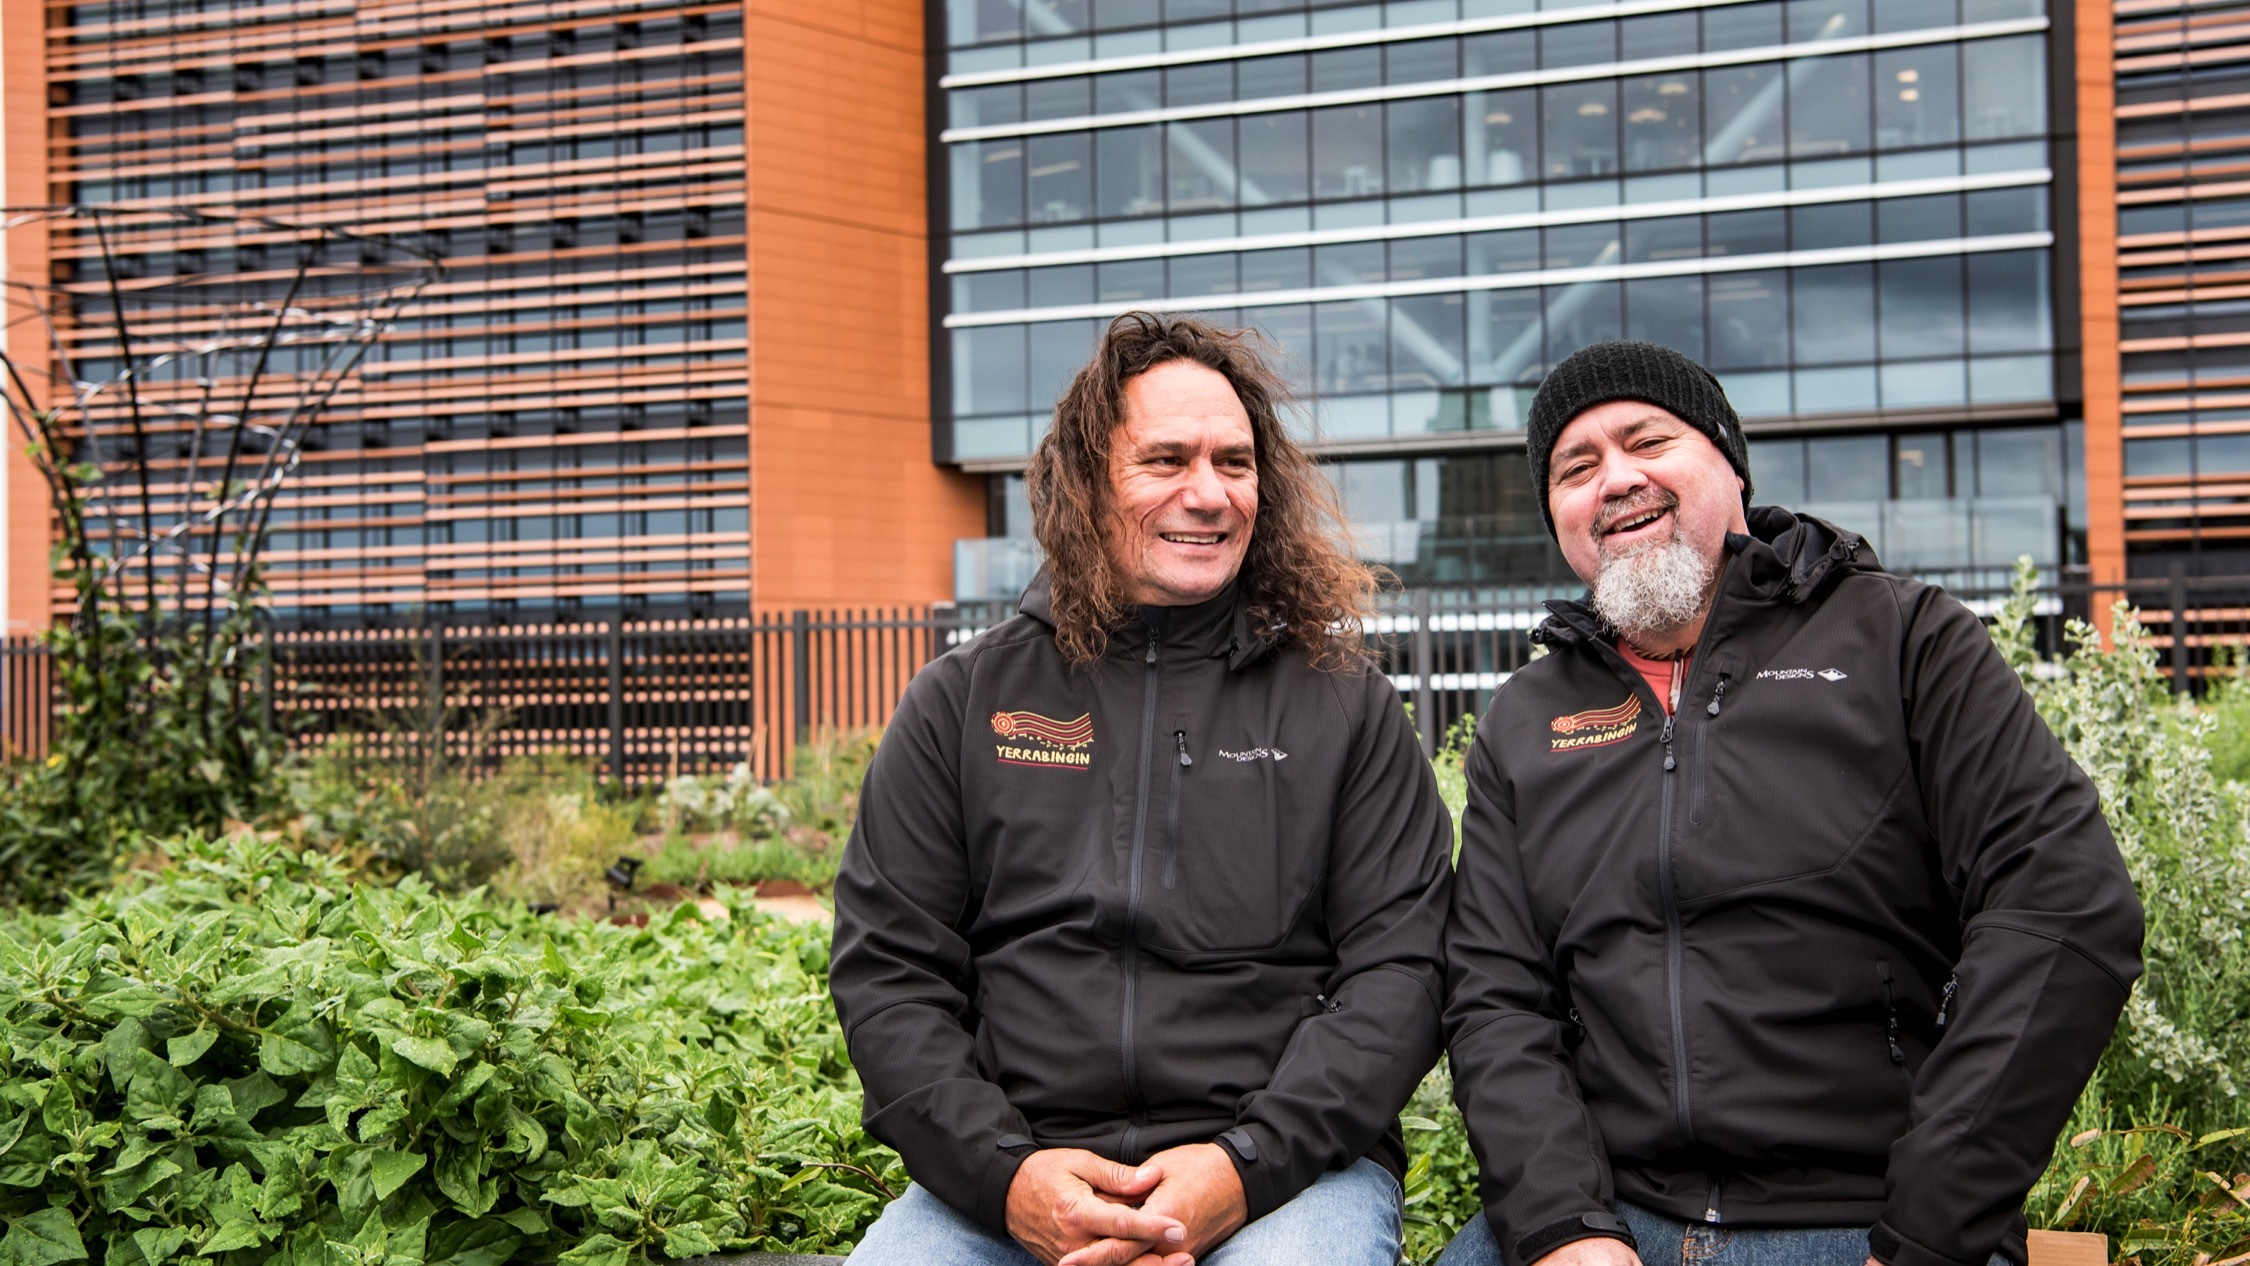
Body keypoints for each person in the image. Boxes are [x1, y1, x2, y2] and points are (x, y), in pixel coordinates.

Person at [1439, 340, 2144, 1266]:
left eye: (1647, 440)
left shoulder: (1903, 638)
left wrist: (1933, 1227)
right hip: (1609, 1217)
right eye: (1576, 468)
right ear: (1560, 519)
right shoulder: (1526, 720)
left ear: (1729, 464)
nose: (1615, 480)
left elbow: (2065, 907)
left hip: (1868, 1219)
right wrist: (1562, 1226)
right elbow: (1494, 995)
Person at [831, 312, 1453, 1266]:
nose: (1209, 495)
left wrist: (1243, 1166)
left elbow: (1401, 970)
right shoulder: (964, 700)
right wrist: (1006, 1178)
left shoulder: (1344, 707)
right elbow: (889, 973)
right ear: (1086, 481)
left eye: (1235, 464)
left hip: (1285, 1181)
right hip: (1017, 1176)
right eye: (1166, 460)